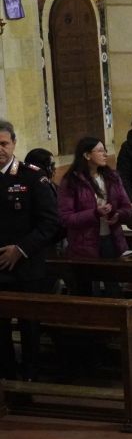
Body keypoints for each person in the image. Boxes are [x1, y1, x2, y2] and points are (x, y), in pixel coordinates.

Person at [0, 121, 60, 381]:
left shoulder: (32, 176)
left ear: (14, 143)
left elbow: (50, 223)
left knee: (30, 327)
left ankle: (31, 378)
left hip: (27, 267)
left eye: (3, 143)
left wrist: (21, 249)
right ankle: (7, 378)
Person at [58, 137, 132, 262]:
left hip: (112, 239)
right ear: (87, 155)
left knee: (113, 280)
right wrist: (95, 213)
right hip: (84, 245)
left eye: (105, 150)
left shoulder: (112, 177)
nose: (105, 154)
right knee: (89, 279)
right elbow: (65, 218)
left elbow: (126, 206)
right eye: (100, 151)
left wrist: (118, 215)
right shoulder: (71, 181)